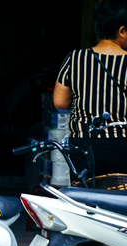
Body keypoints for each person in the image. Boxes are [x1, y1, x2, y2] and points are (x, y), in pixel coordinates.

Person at [54, 0, 127, 177]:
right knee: (119, 200)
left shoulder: (75, 58)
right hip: (122, 145)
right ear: (122, 31)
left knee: (85, 199)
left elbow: (60, 102)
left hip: (83, 146)